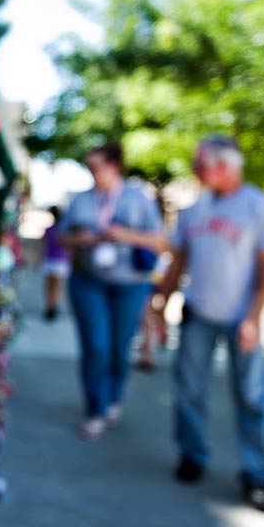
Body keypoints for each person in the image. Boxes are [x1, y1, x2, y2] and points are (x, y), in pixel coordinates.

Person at [149, 135, 264, 513]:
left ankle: (259, 474)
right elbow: (179, 261)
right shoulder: (195, 209)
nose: (196, 170)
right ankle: (192, 454)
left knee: (253, 396)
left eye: (200, 163)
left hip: (241, 317)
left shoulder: (259, 206)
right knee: (188, 390)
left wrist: (254, 317)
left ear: (225, 165)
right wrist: (161, 304)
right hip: (198, 315)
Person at [57, 144, 166, 439]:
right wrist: (78, 238)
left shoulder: (138, 198)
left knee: (119, 347)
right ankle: (95, 408)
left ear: (113, 166)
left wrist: (126, 235)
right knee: (96, 345)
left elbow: (160, 240)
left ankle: (112, 398)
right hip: (89, 279)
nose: (92, 173)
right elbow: (61, 237)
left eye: (96, 167)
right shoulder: (82, 199)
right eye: (89, 168)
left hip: (130, 282)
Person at [41, 206, 70, 321]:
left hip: (54, 260)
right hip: (59, 260)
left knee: (50, 286)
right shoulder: (62, 229)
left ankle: (51, 306)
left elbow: (43, 245)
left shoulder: (56, 230)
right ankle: (52, 306)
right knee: (55, 286)